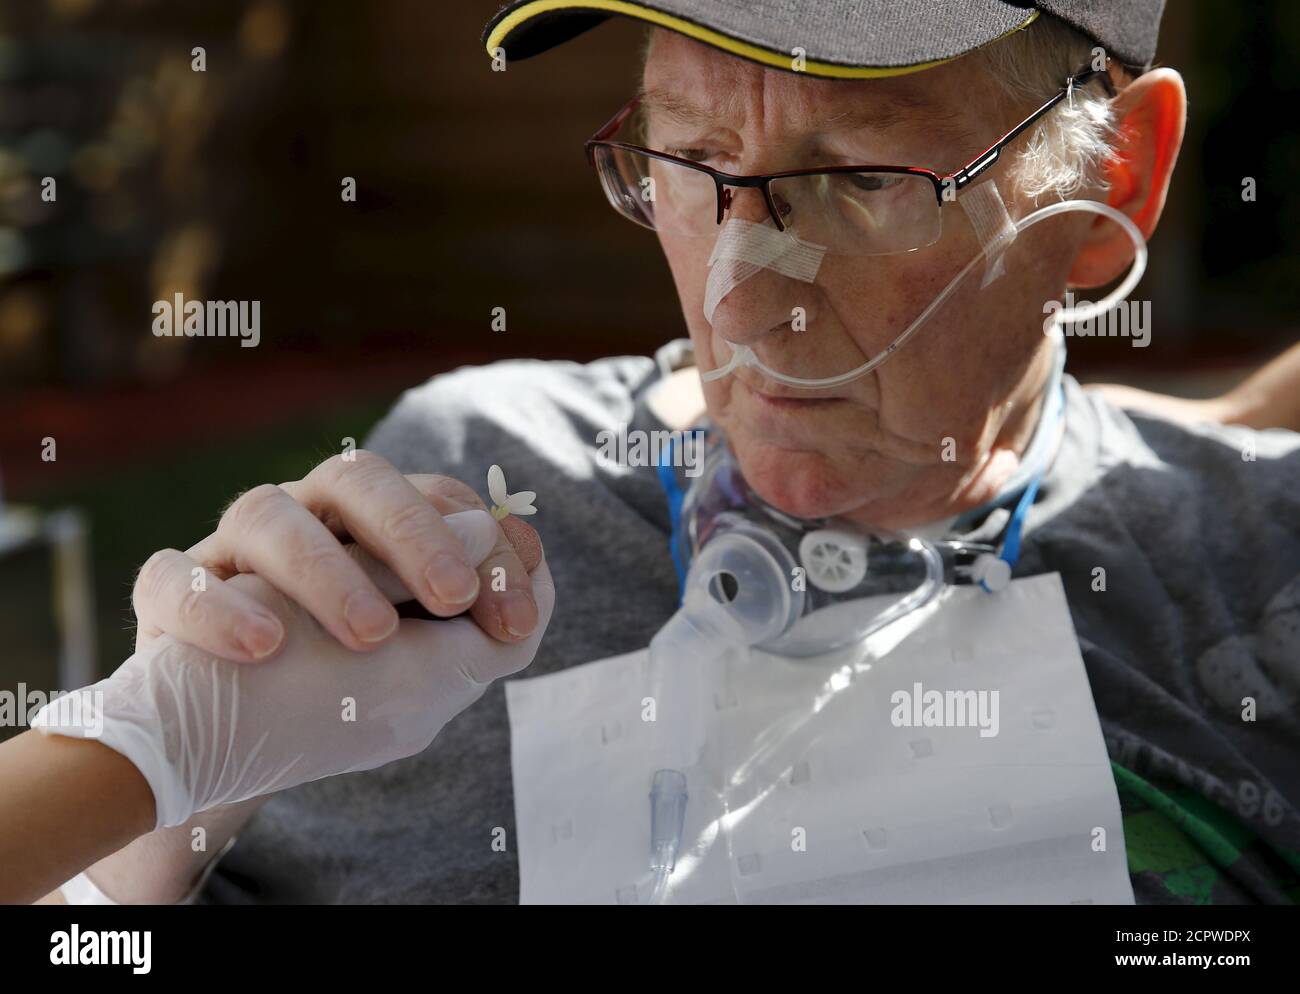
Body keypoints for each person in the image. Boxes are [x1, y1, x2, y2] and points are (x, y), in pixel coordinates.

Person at [46, 0, 1300, 904]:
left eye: (861, 175)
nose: (743, 305)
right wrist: (154, 830)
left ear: (1116, 177)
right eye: (691, 162)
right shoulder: (453, 507)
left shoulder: (1250, 570)